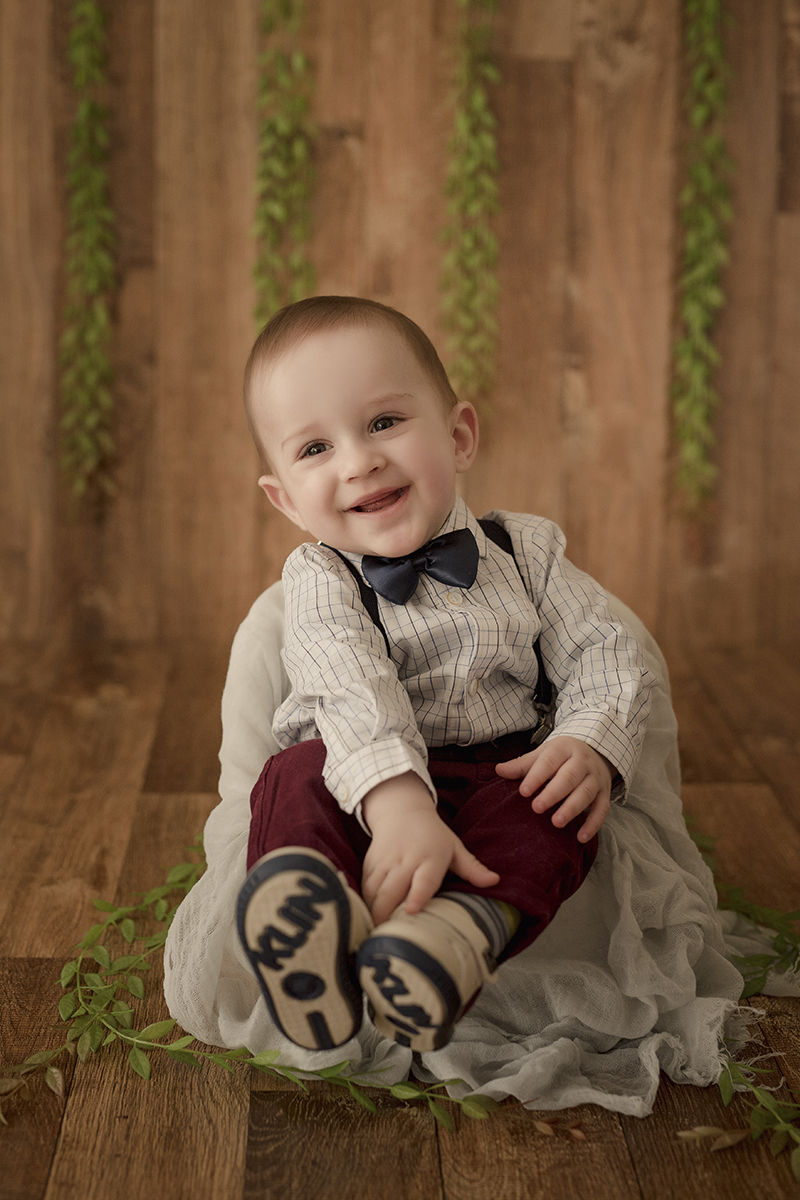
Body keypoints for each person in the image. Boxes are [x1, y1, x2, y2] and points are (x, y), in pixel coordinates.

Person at [235, 295, 654, 1057]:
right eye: (314, 449)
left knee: (559, 811)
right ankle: (311, 923)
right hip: (360, 784)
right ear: (285, 500)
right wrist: (396, 804)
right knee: (291, 776)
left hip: (501, 769)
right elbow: (348, 682)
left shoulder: (525, 550)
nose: (359, 461)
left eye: (384, 423)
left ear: (459, 436)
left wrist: (589, 739)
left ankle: (449, 940)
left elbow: (604, 647)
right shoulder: (319, 575)